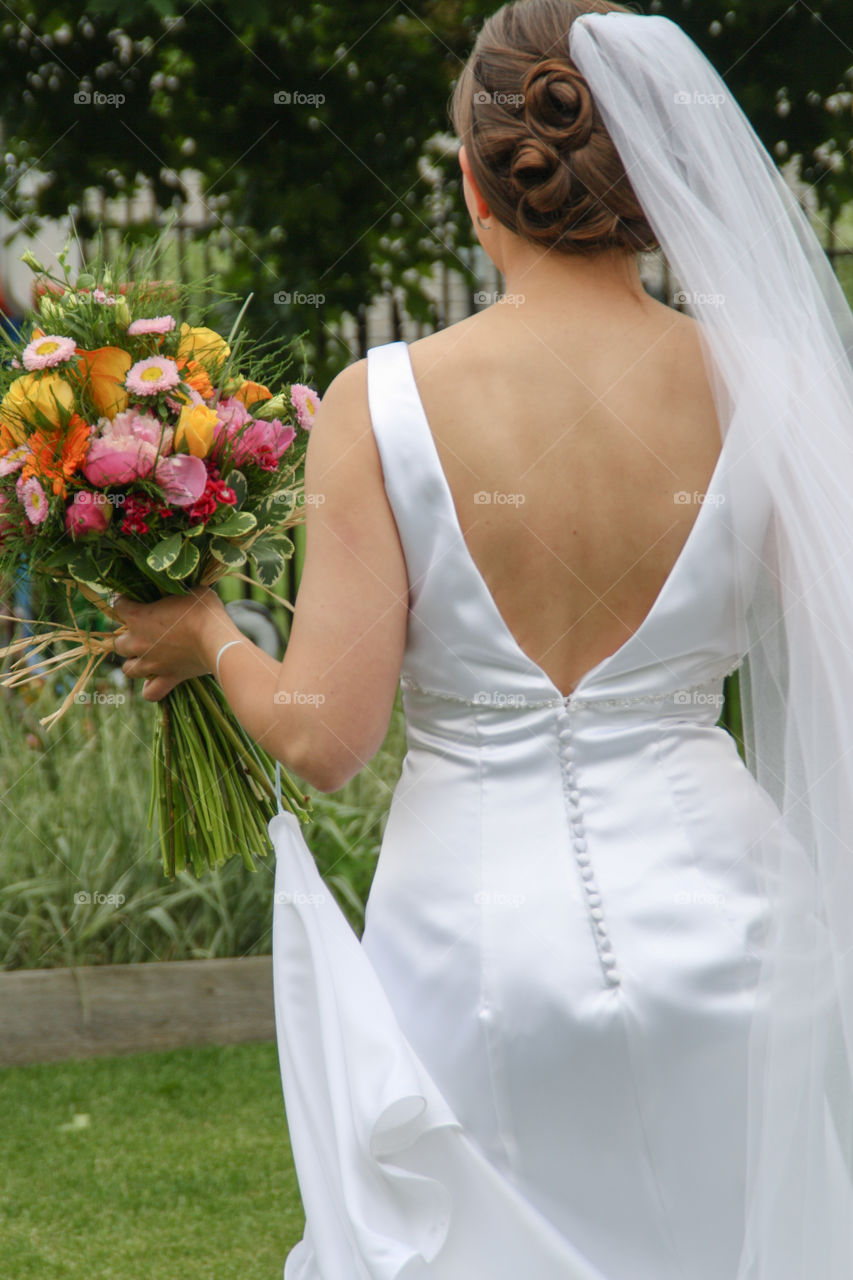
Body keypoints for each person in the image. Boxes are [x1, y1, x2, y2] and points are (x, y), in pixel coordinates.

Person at [112, 1, 853, 1275]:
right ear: (653, 178)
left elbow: (325, 737)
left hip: (475, 956)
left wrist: (202, 632)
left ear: (473, 181)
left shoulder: (382, 399)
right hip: (740, 934)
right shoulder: (764, 387)